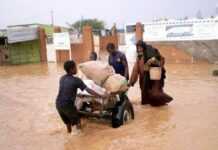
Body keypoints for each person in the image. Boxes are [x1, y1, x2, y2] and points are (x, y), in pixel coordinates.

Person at [56, 60, 107, 134]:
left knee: (68, 122)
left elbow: (67, 90)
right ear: (71, 69)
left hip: (58, 104)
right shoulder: (76, 80)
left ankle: (69, 133)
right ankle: (80, 138)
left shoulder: (62, 78)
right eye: (75, 67)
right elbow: (88, 90)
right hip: (68, 105)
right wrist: (100, 95)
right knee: (77, 121)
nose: (76, 69)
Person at [128, 40, 172, 106]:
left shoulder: (152, 53)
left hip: (154, 79)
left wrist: (154, 61)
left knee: (155, 94)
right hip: (144, 80)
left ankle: (164, 102)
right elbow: (135, 71)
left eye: (140, 48)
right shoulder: (139, 58)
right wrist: (131, 82)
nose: (139, 49)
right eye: (138, 48)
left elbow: (161, 62)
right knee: (145, 101)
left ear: (144, 47)